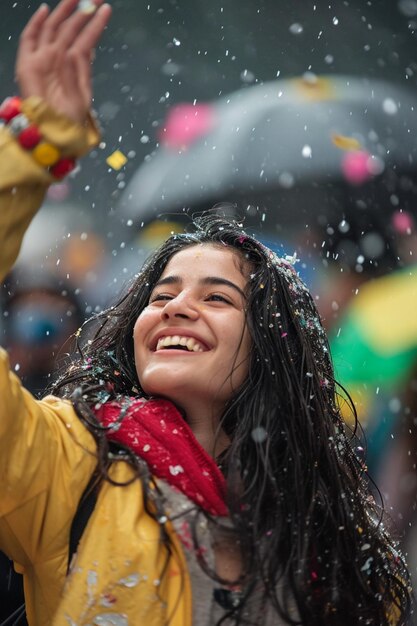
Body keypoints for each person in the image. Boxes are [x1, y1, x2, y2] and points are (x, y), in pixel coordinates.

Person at [0, 1, 412, 624]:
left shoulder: (328, 539)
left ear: (270, 346)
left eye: (217, 297)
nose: (177, 309)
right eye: (161, 296)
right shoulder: (66, 464)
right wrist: (35, 147)